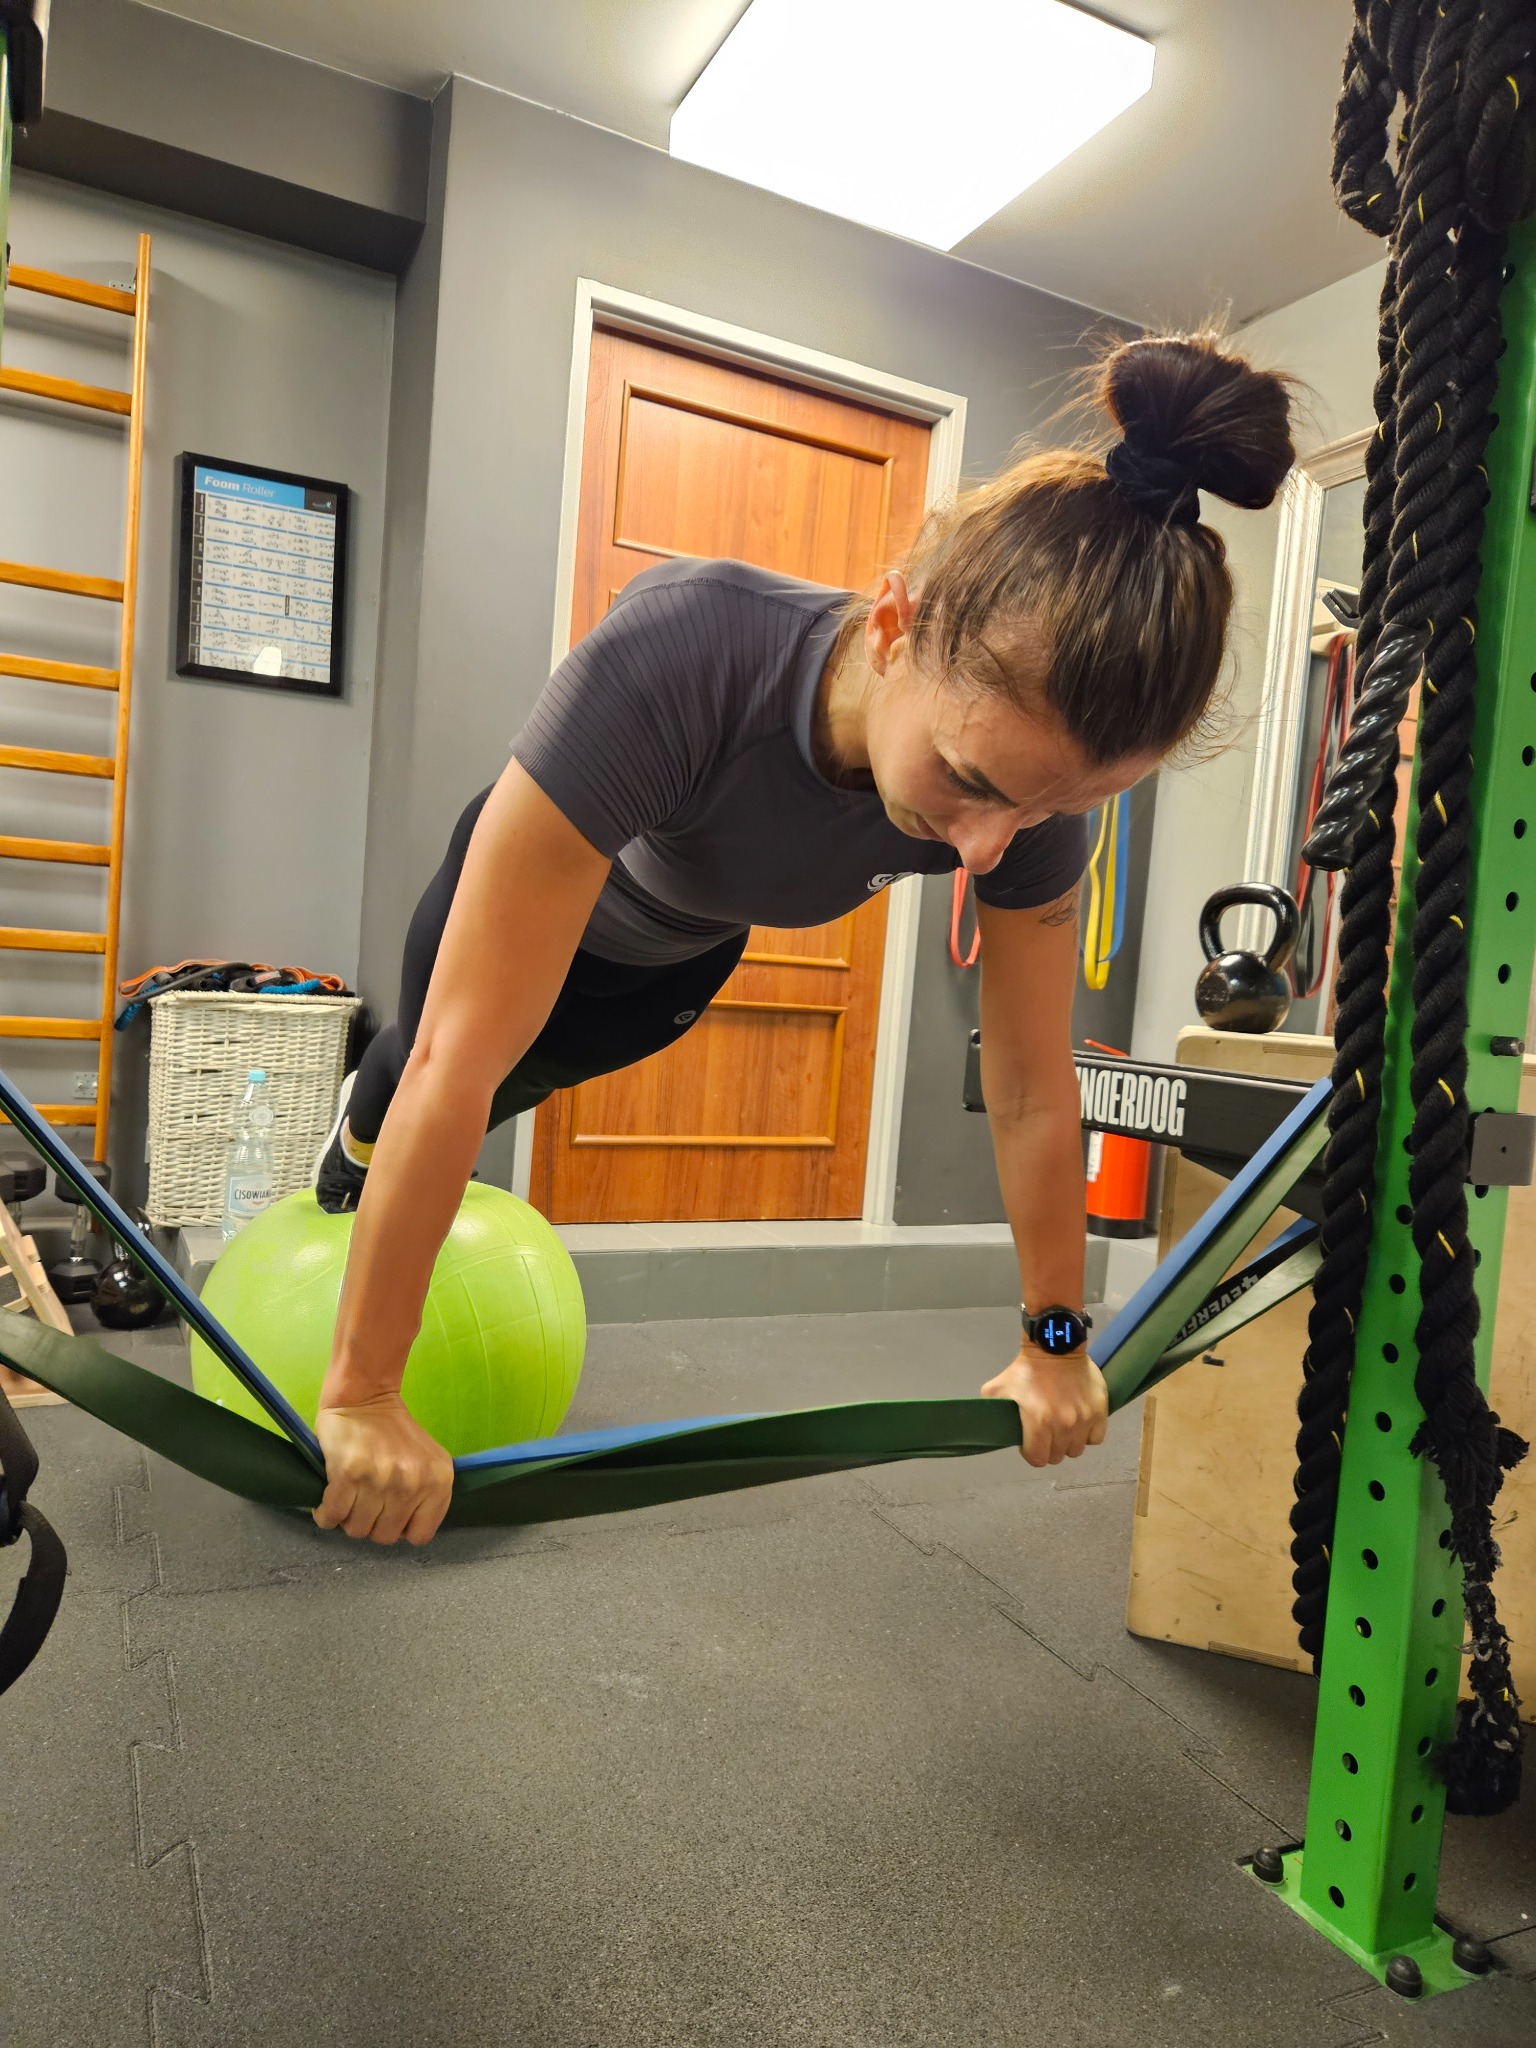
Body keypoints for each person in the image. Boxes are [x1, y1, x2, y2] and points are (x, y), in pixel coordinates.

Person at [309, 330, 1295, 1547]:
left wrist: (1054, 1341)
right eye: (972, 779)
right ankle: (355, 1126)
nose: (991, 848)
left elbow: (1039, 1086)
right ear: (894, 625)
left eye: (1048, 810)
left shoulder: (1026, 816)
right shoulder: (683, 651)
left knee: (517, 1087)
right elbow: (462, 1051)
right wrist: (363, 1389)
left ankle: (394, 1138)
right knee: (424, 1070)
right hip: (528, 898)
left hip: (673, 960)